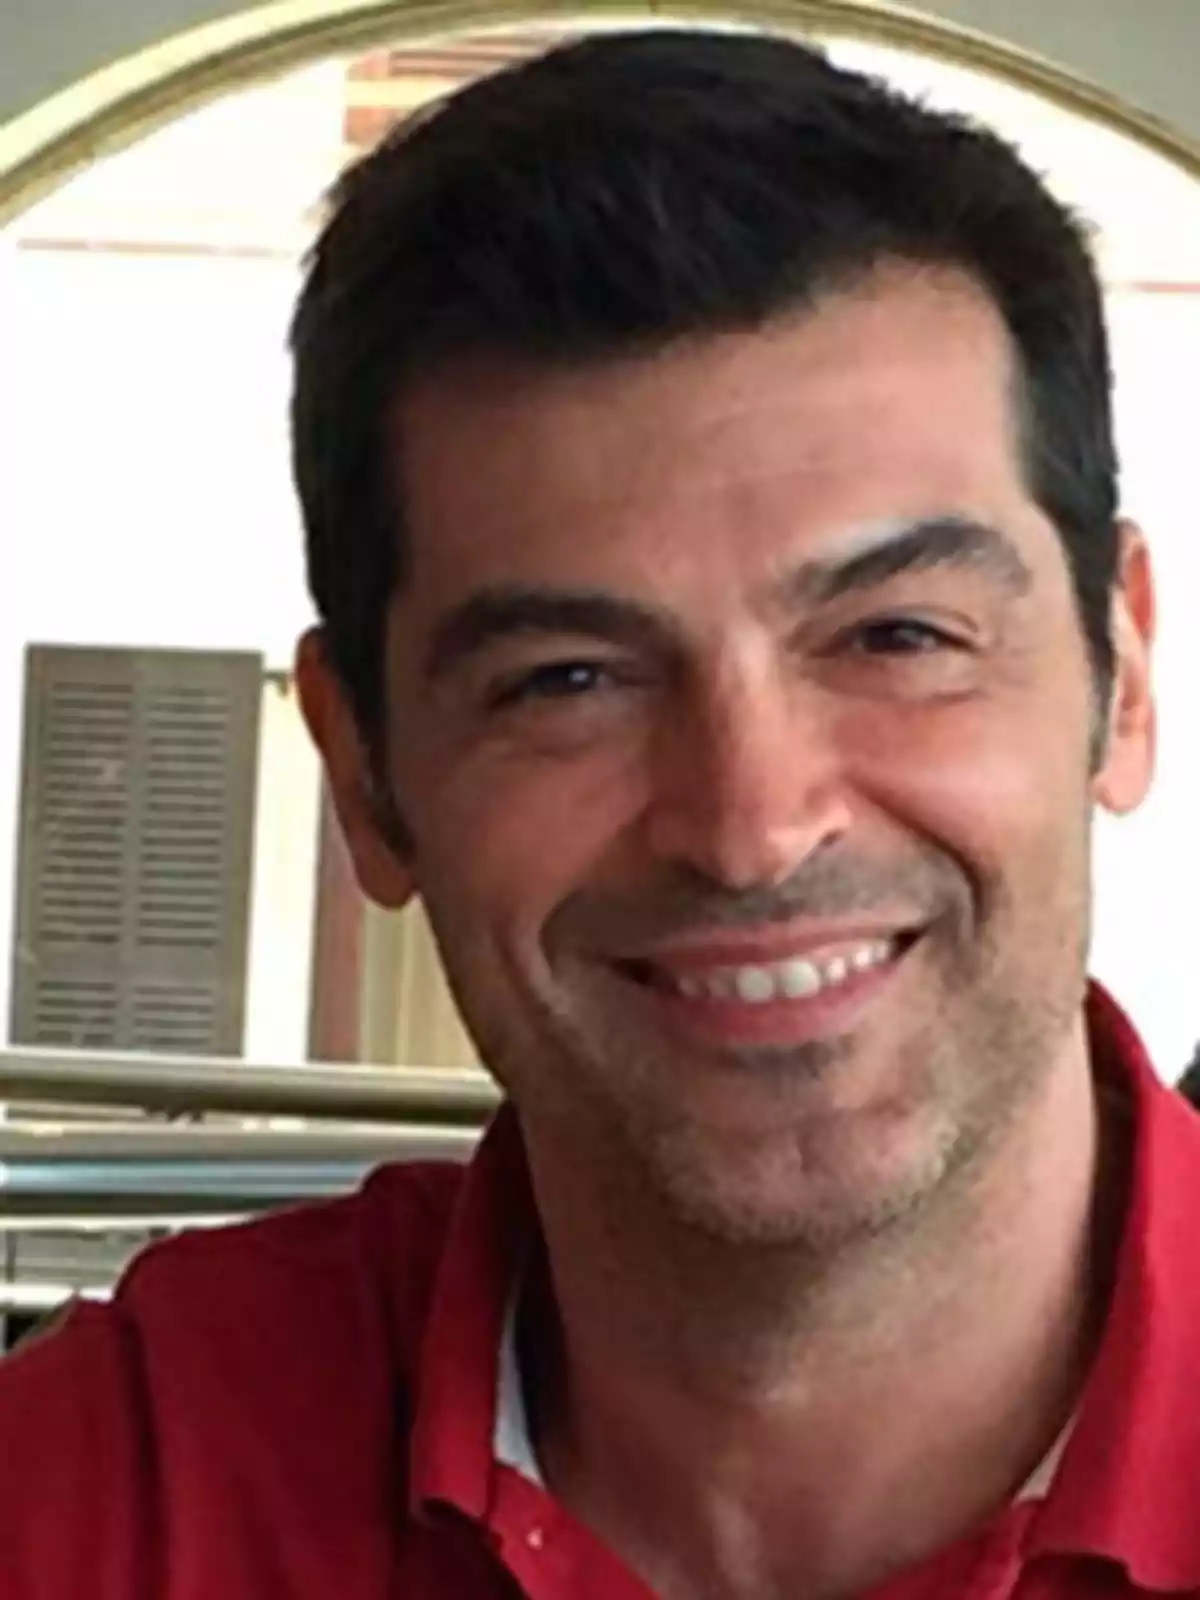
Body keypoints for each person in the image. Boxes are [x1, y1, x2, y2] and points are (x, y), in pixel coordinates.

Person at [1, 27, 1193, 1600]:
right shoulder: (109, 1485)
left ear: (1118, 674)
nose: (752, 823)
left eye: (896, 636)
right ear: (366, 776)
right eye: (568, 679)